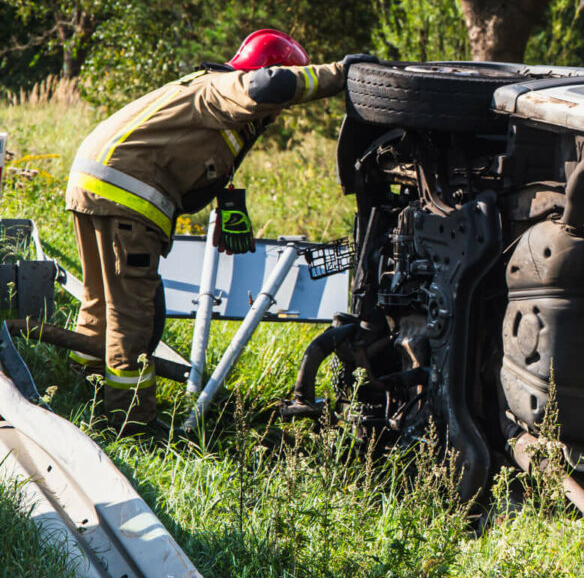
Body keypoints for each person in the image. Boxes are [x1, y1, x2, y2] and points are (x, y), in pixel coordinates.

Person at [65, 29, 363, 428]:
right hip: (126, 199)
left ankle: (75, 391)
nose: (278, 114)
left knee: (99, 304)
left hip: (92, 188)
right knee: (132, 318)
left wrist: (224, 210)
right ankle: (129, 423)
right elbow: (269, 85)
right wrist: (342, 72)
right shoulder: (227, 85)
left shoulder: (202, 90)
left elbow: (192, 156)